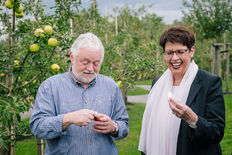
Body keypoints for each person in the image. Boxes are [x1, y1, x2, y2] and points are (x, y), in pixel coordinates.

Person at [30, 32, 129, 155]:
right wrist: (68, 119)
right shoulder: (50, 86)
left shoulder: (111, 86)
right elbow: (37, 127)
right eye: (85, 62)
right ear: (72, 57)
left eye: (96, 63)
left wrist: (113, 127)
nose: (91, 68)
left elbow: (124, 126)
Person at [139, 26, 225, 155]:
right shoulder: (157, 84)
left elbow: (216, 132)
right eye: (169, 52)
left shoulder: (210, 83)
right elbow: (149, 127)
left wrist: (193, 119)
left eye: (180, 51)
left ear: (191, 51)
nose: (174, 58)